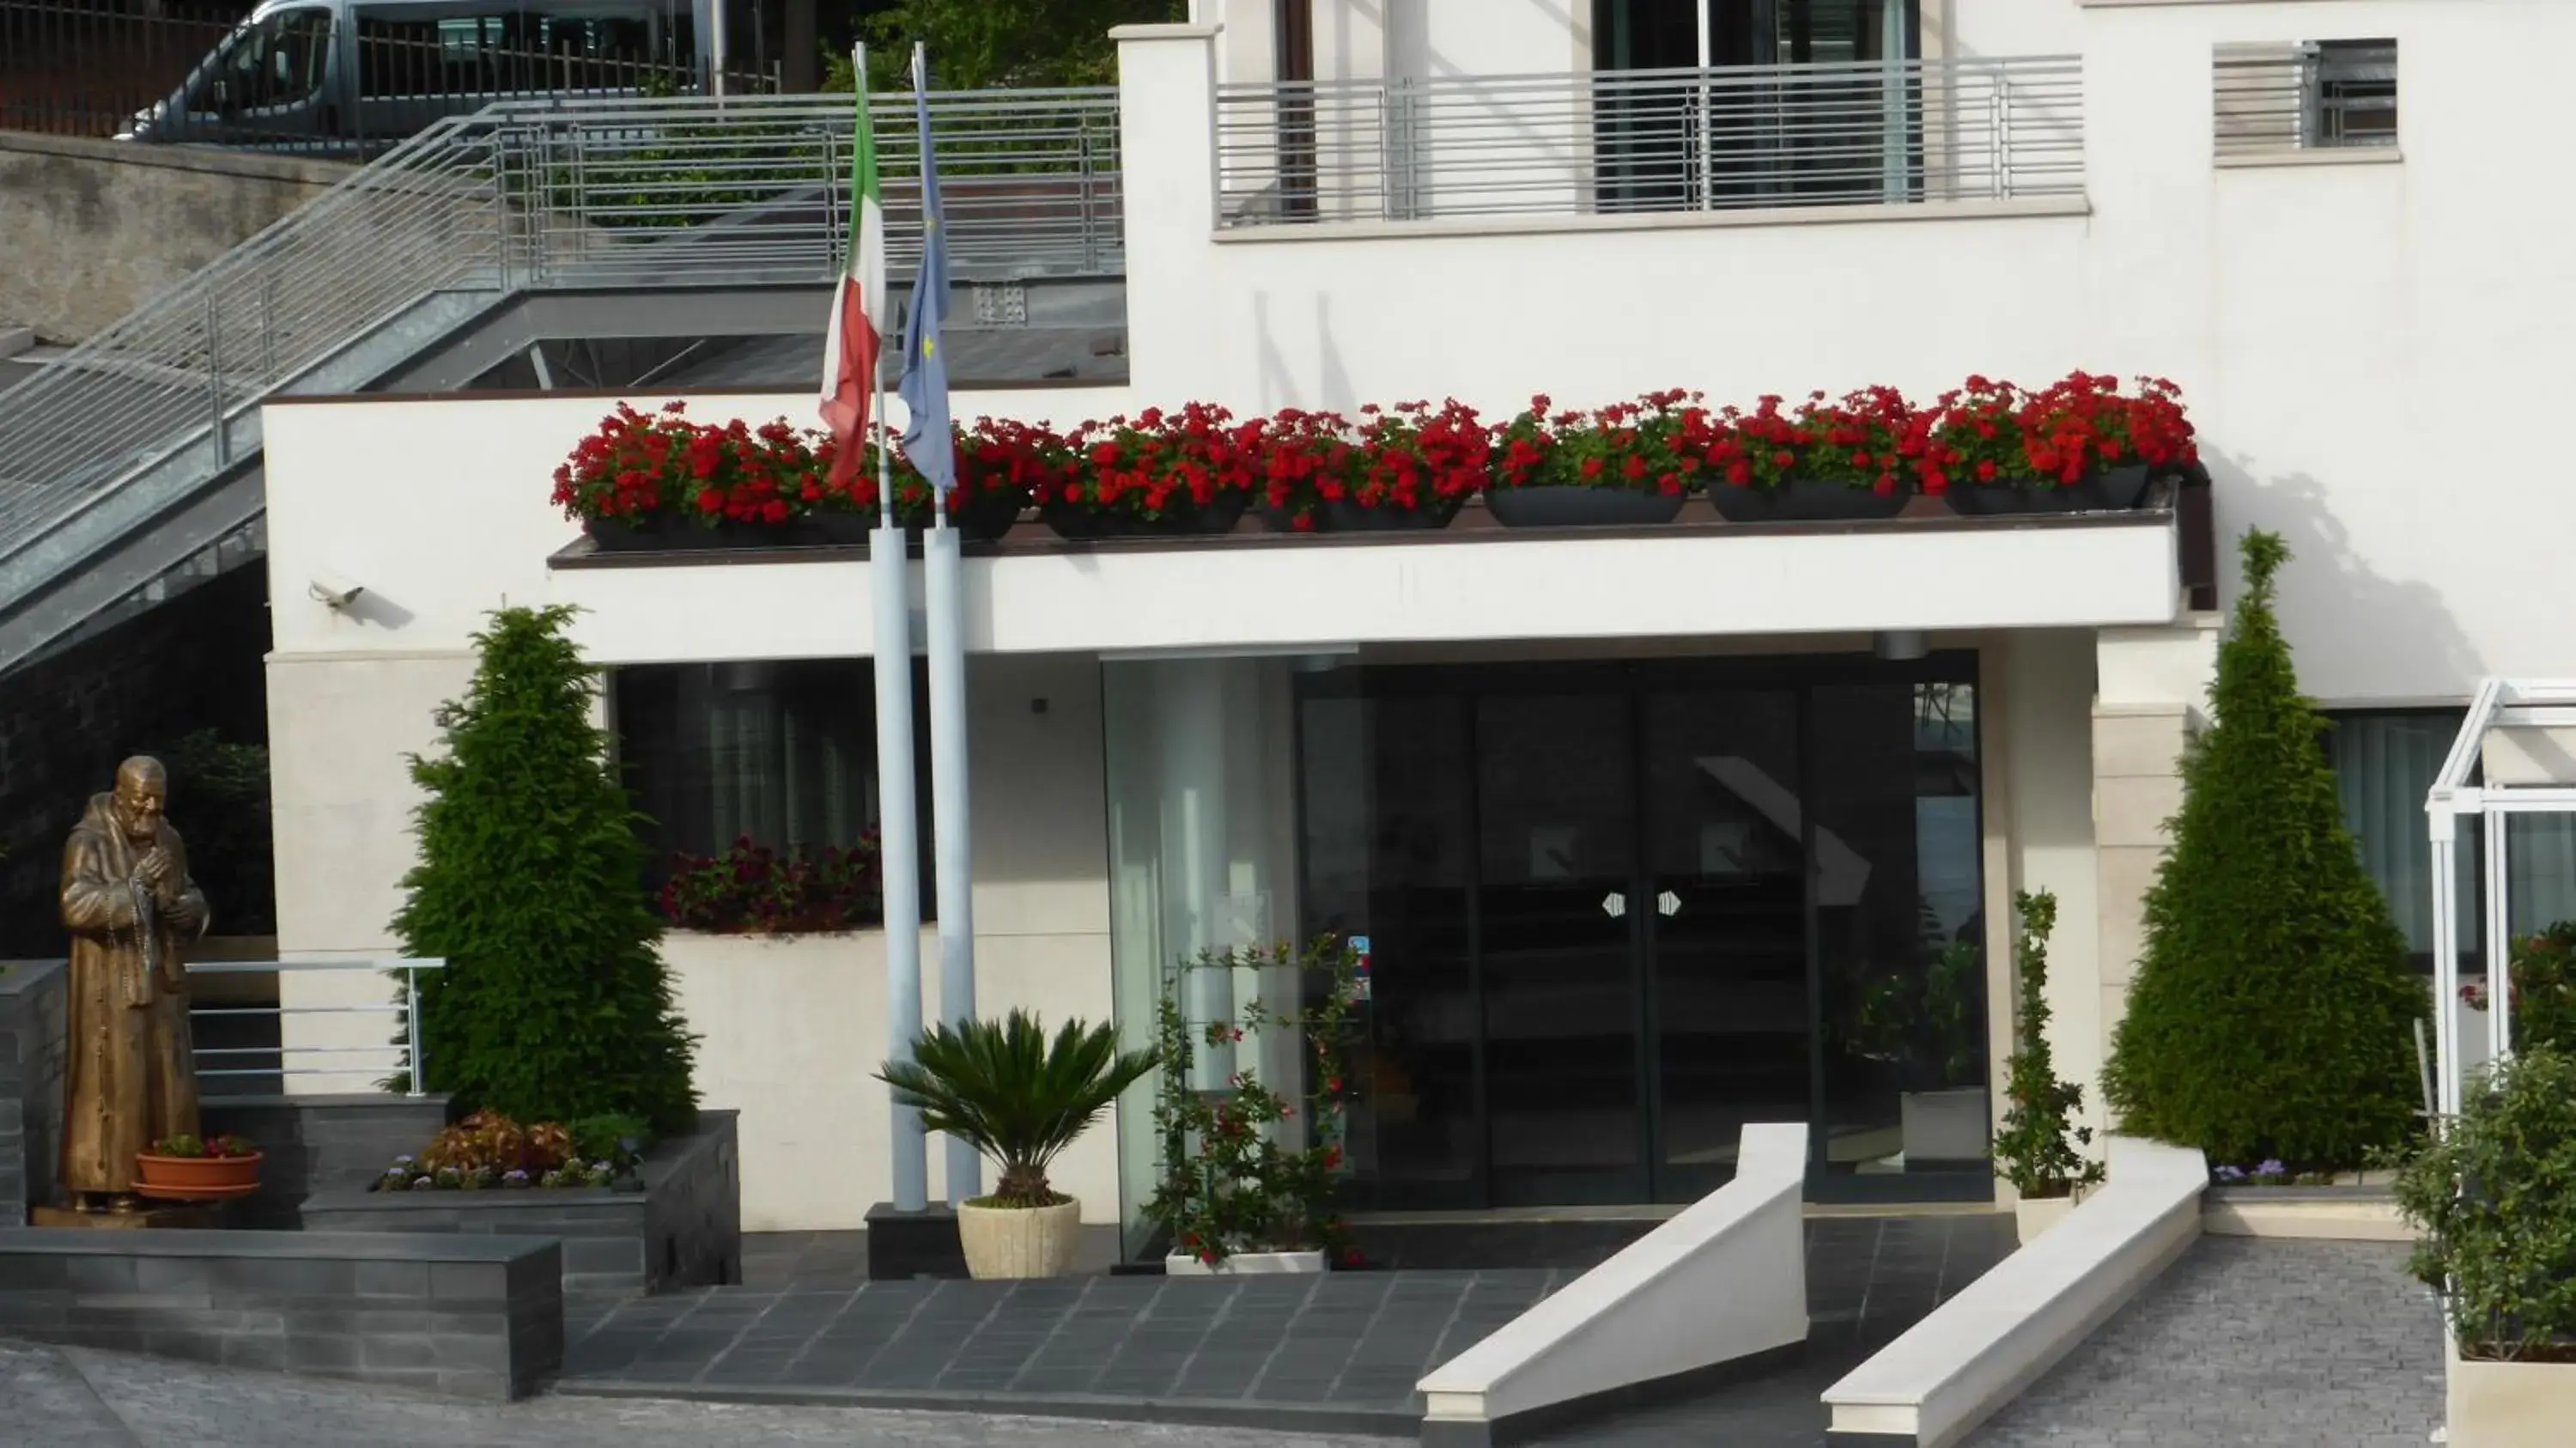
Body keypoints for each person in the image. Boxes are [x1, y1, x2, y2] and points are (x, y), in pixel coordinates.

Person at [58, 756, 210, 1211]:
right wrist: (135, 888)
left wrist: (191, 910)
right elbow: (74, 906)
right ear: (119, 795)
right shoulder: (88, 841)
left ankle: (175, 1175)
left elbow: (190, 890)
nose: (150, 810)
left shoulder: (168, 837)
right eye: (141, 799)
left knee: (169, 1078)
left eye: (158, 801)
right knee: (118, 1082)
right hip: (111, 985)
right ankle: (115, 1183)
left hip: (161, 980)